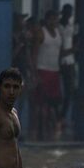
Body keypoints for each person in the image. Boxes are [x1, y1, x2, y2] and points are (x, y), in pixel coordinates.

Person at [33, 10, 63, 140]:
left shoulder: (58, 33)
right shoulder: (41, 33)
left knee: (54, 102)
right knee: (41, 103)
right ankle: (40, 130)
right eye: (52, 19)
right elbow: (34, 53)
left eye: (56, 19)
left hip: (54, 71)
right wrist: (35, 73)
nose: (54, 22)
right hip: (42, 70)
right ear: (47, 20)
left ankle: (51, 128)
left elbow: (59, 53)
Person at [58, 4, 78, 136]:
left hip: (70, 62)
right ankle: (60, 117)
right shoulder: (58, 27)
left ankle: (64, 117)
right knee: (63, 91)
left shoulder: (72, 27)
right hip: (61, 62)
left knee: (71, 91)